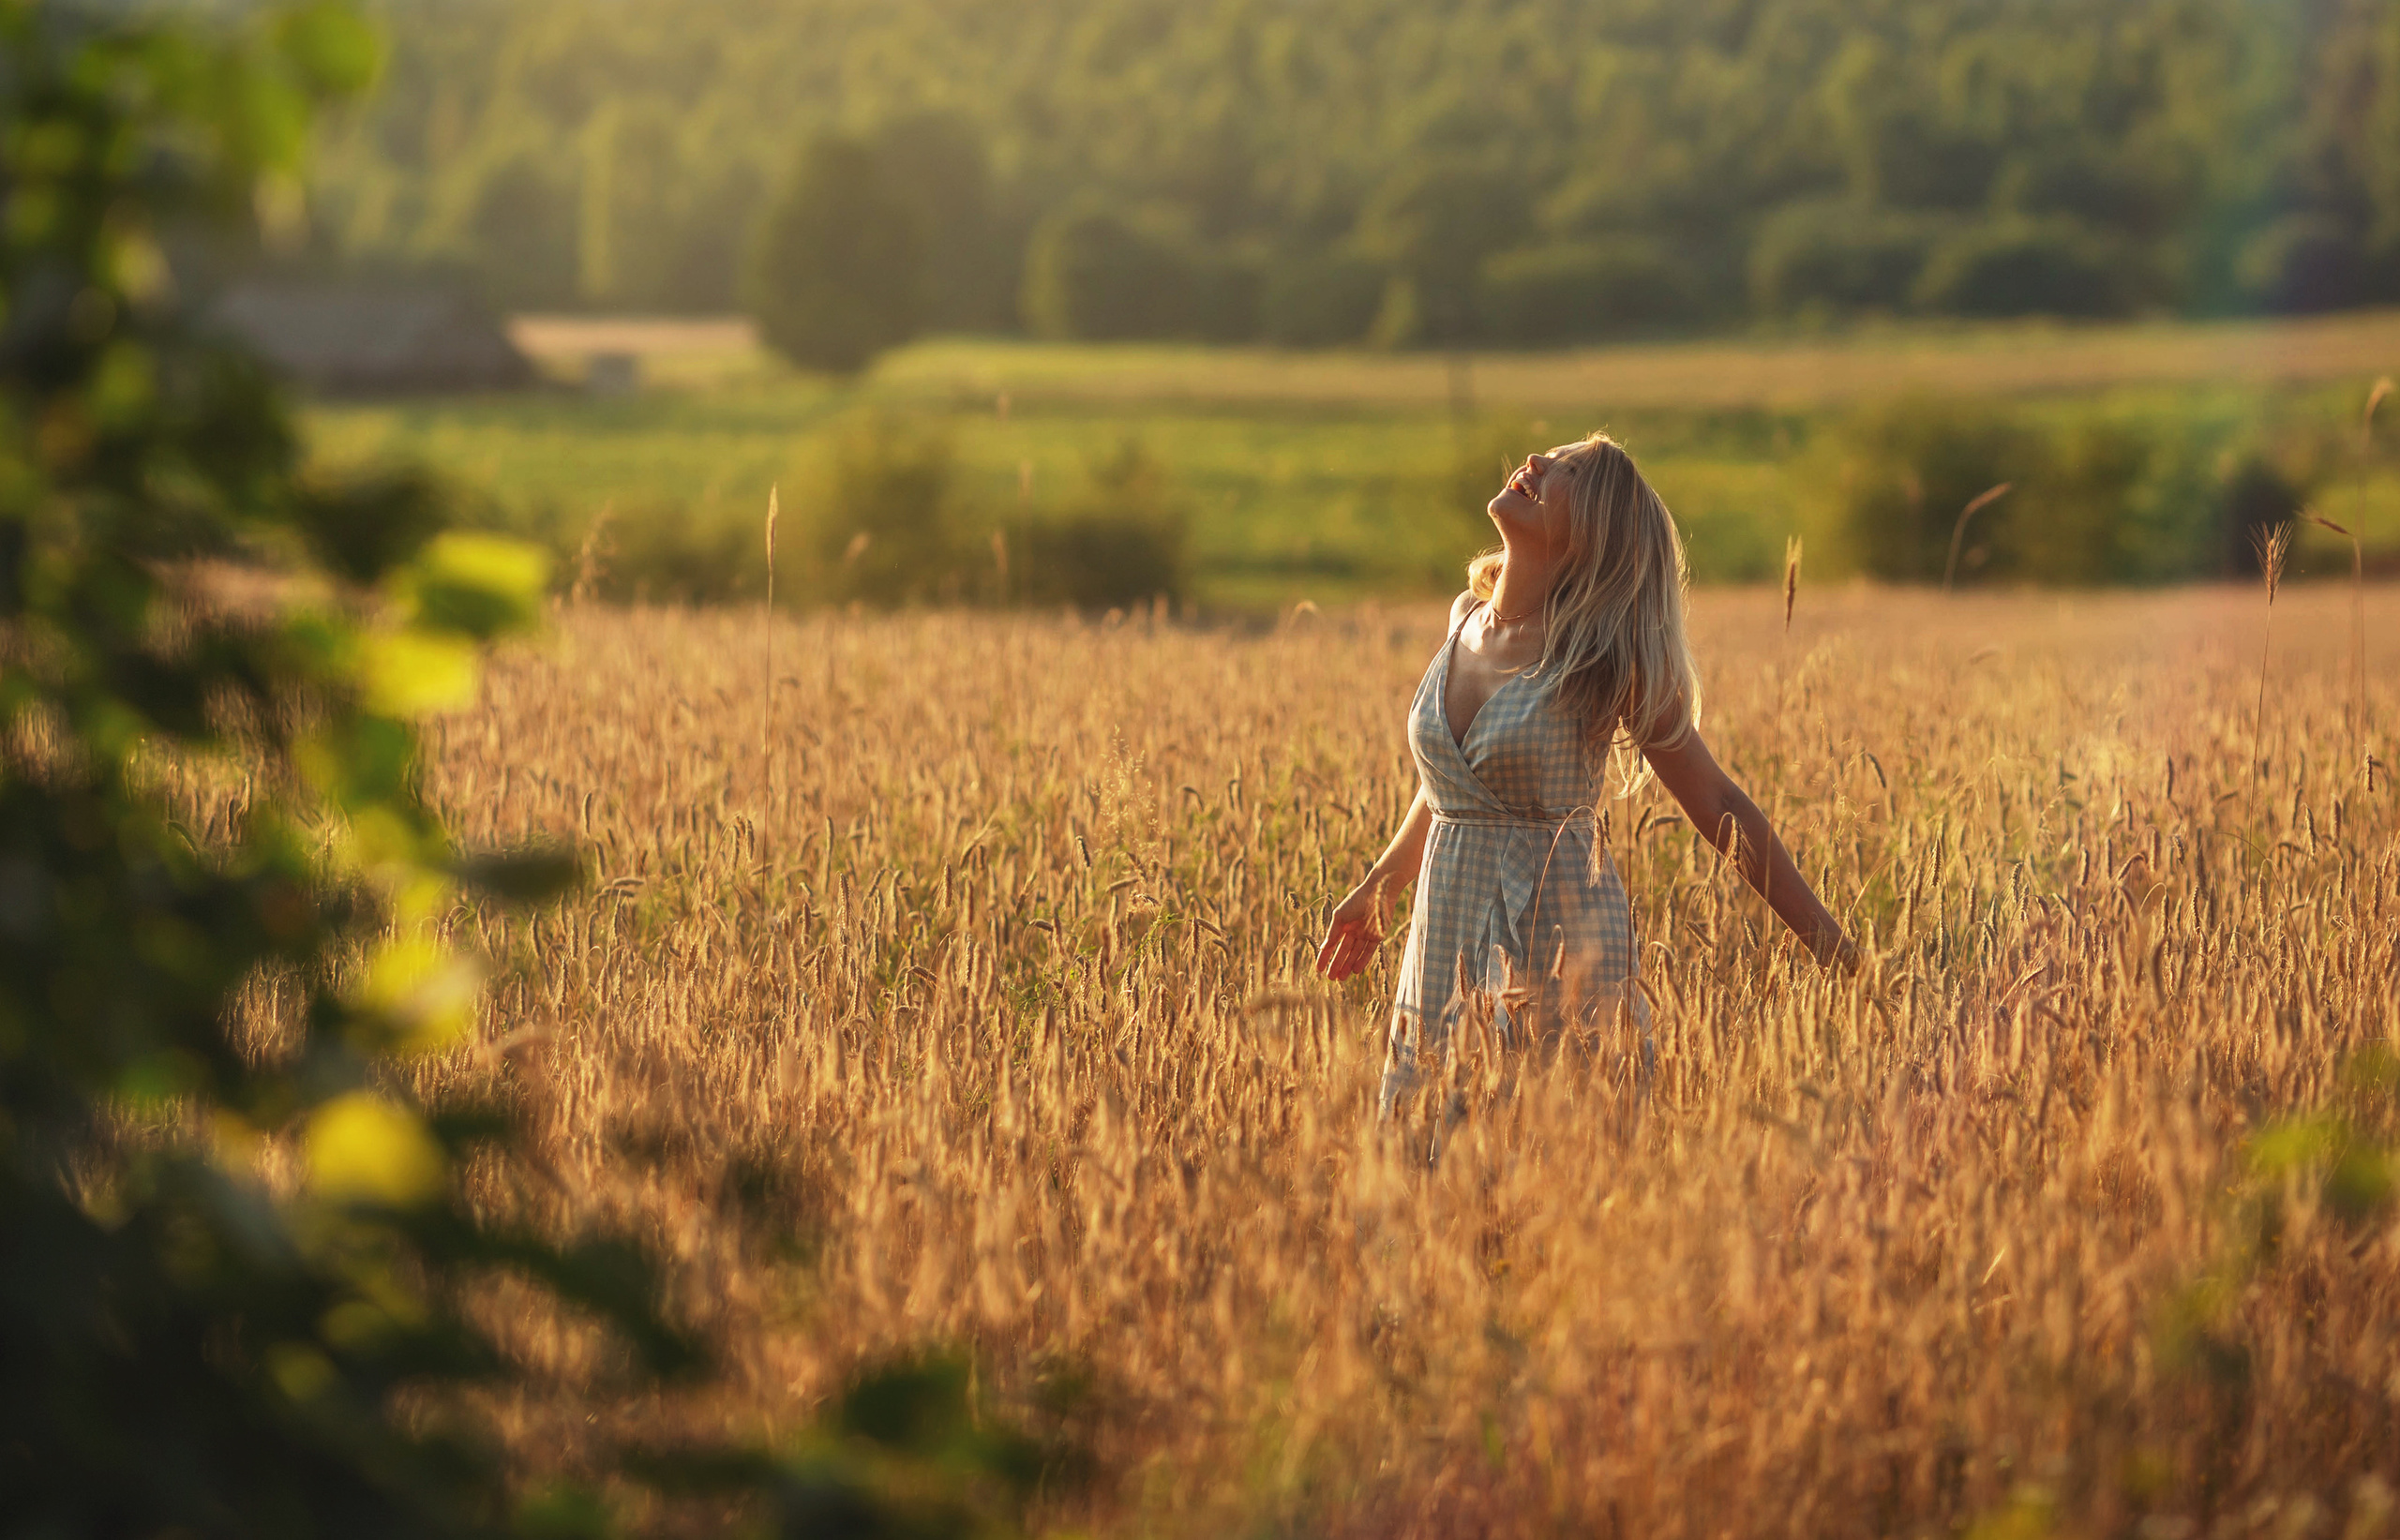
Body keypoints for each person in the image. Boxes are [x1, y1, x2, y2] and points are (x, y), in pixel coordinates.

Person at [1314, 432, 1856, 1112]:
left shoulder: (1602, 656)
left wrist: (1834, 948)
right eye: (1548, 454)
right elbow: (1455, 788)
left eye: (1568, 469)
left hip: (1559, 949)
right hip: (1441, 935)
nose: (1537, 462)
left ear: (1595, 530)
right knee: (1421, 1165)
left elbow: (1718, 800)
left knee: (1541, 1175)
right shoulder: (1463, 621)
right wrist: (1381, 881)